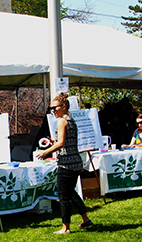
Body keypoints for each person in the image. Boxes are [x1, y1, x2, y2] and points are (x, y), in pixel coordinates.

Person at [36, 93, 92, 234]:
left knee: (63, 196)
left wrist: (45, 152)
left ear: (64, 106)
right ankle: (85, 219)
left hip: (66, 164)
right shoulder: (71, 120)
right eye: (51, 108)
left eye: (55, 108)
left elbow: (61, 143)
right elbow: (65, 142)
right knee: (71, 192)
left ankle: (65, 227)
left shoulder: (61, 121)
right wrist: (54, 143)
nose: (53, 110)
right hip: (76, 162)